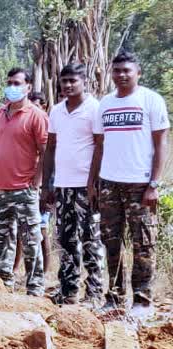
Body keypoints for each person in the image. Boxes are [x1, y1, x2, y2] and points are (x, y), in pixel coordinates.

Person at [89, 50, 170, 317]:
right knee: (111, 243)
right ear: (111, 73)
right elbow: (99, 146)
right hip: (110, 183)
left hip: (140, 185)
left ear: (138, 73)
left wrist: (154, 184)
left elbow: (161, 144)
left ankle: (142, 301)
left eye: (127, 71)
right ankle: (113, 297)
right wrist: (94, 182)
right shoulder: (106, 103)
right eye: (117, 71)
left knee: (143, 243)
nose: (122, 75)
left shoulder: (151, 100)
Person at [41, 63, 104, 306]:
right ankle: (68, 291)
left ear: (84, 80)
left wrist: (92, 183)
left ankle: (94, 293)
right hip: (63, 186)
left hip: (85, 187)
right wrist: (47, 184)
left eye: (72, 81)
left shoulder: (95, 109)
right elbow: (50, 148)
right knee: (65, 240)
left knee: (90, 238)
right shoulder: (56, 111)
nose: (67, 85)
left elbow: (100, 146)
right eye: (64, 81)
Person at [0, 67, 48, 296]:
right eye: (9, 82)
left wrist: (37, 182)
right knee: (3, 241)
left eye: (17, 83)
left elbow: (45, 151)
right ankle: (4, 287)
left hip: (25, 189)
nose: (12, 87)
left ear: (28, 87)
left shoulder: (36, 116)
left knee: (31, 241)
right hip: (0, 188)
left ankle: (35, 289)